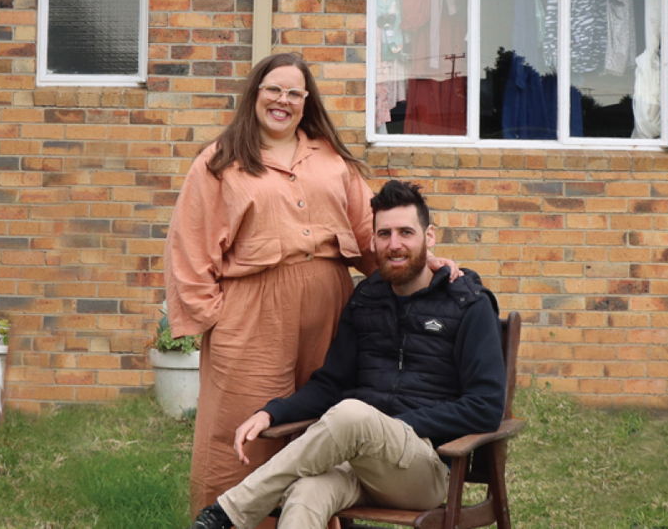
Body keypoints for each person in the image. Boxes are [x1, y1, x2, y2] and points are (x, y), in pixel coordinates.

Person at [189, 180, 507, 529]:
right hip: (360, 461)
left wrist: (392, 427)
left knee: (353, 415)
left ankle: (230, 511)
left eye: (406, 232)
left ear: (429, 237)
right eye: (384, 234)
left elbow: (486, 405)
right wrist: (271, 412)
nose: (395, 244)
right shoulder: (366, 299)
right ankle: (242, 509)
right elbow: (331, 384)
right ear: (372, 241)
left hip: (425, 467)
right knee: (307, 493)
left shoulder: (467, 303)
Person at [164, 52, 383, 520]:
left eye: (294, 93)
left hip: (330, 307)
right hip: (252, 315)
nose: (282, 100)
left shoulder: (330, 158)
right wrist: (215, 321)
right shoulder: (220, 162)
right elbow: (189, 245)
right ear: (255, 94)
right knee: (240, 433)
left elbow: (369, 230)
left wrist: (420, 264)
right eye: (273, 90)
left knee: (321, 428)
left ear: (307, 102)